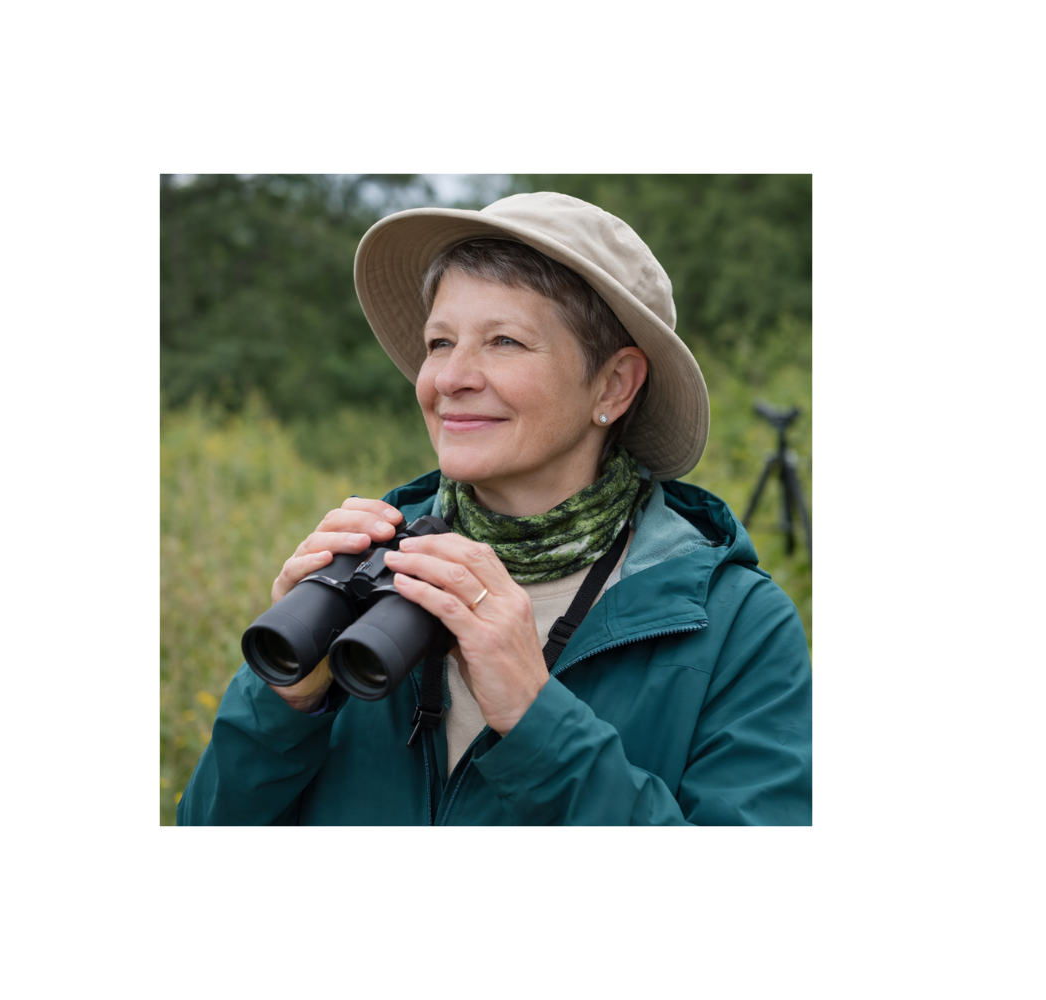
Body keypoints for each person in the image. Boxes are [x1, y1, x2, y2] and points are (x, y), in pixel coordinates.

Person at [178, 192, 813, 827]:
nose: (451, 377)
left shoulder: (738, 629)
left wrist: (538, 722)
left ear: (614, 384)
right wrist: (281, 705)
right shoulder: (361, 575)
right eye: (440, 341)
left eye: (503, 341)